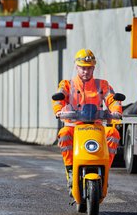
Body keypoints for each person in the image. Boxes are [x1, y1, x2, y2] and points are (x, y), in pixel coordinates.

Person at [52, 49, 122, 190]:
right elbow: (59, 96)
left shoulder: (102, 84)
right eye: (83, 68)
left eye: (89, 68)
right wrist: (58, 110)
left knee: (113, 134)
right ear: (76, 67)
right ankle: (70, 169)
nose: (86, 71)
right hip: (74, 126)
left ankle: (105, 169)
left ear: (93, 68)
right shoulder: (67, 84)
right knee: (64, 133)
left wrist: (116, 110)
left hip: (95, 125)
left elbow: (112, 98)